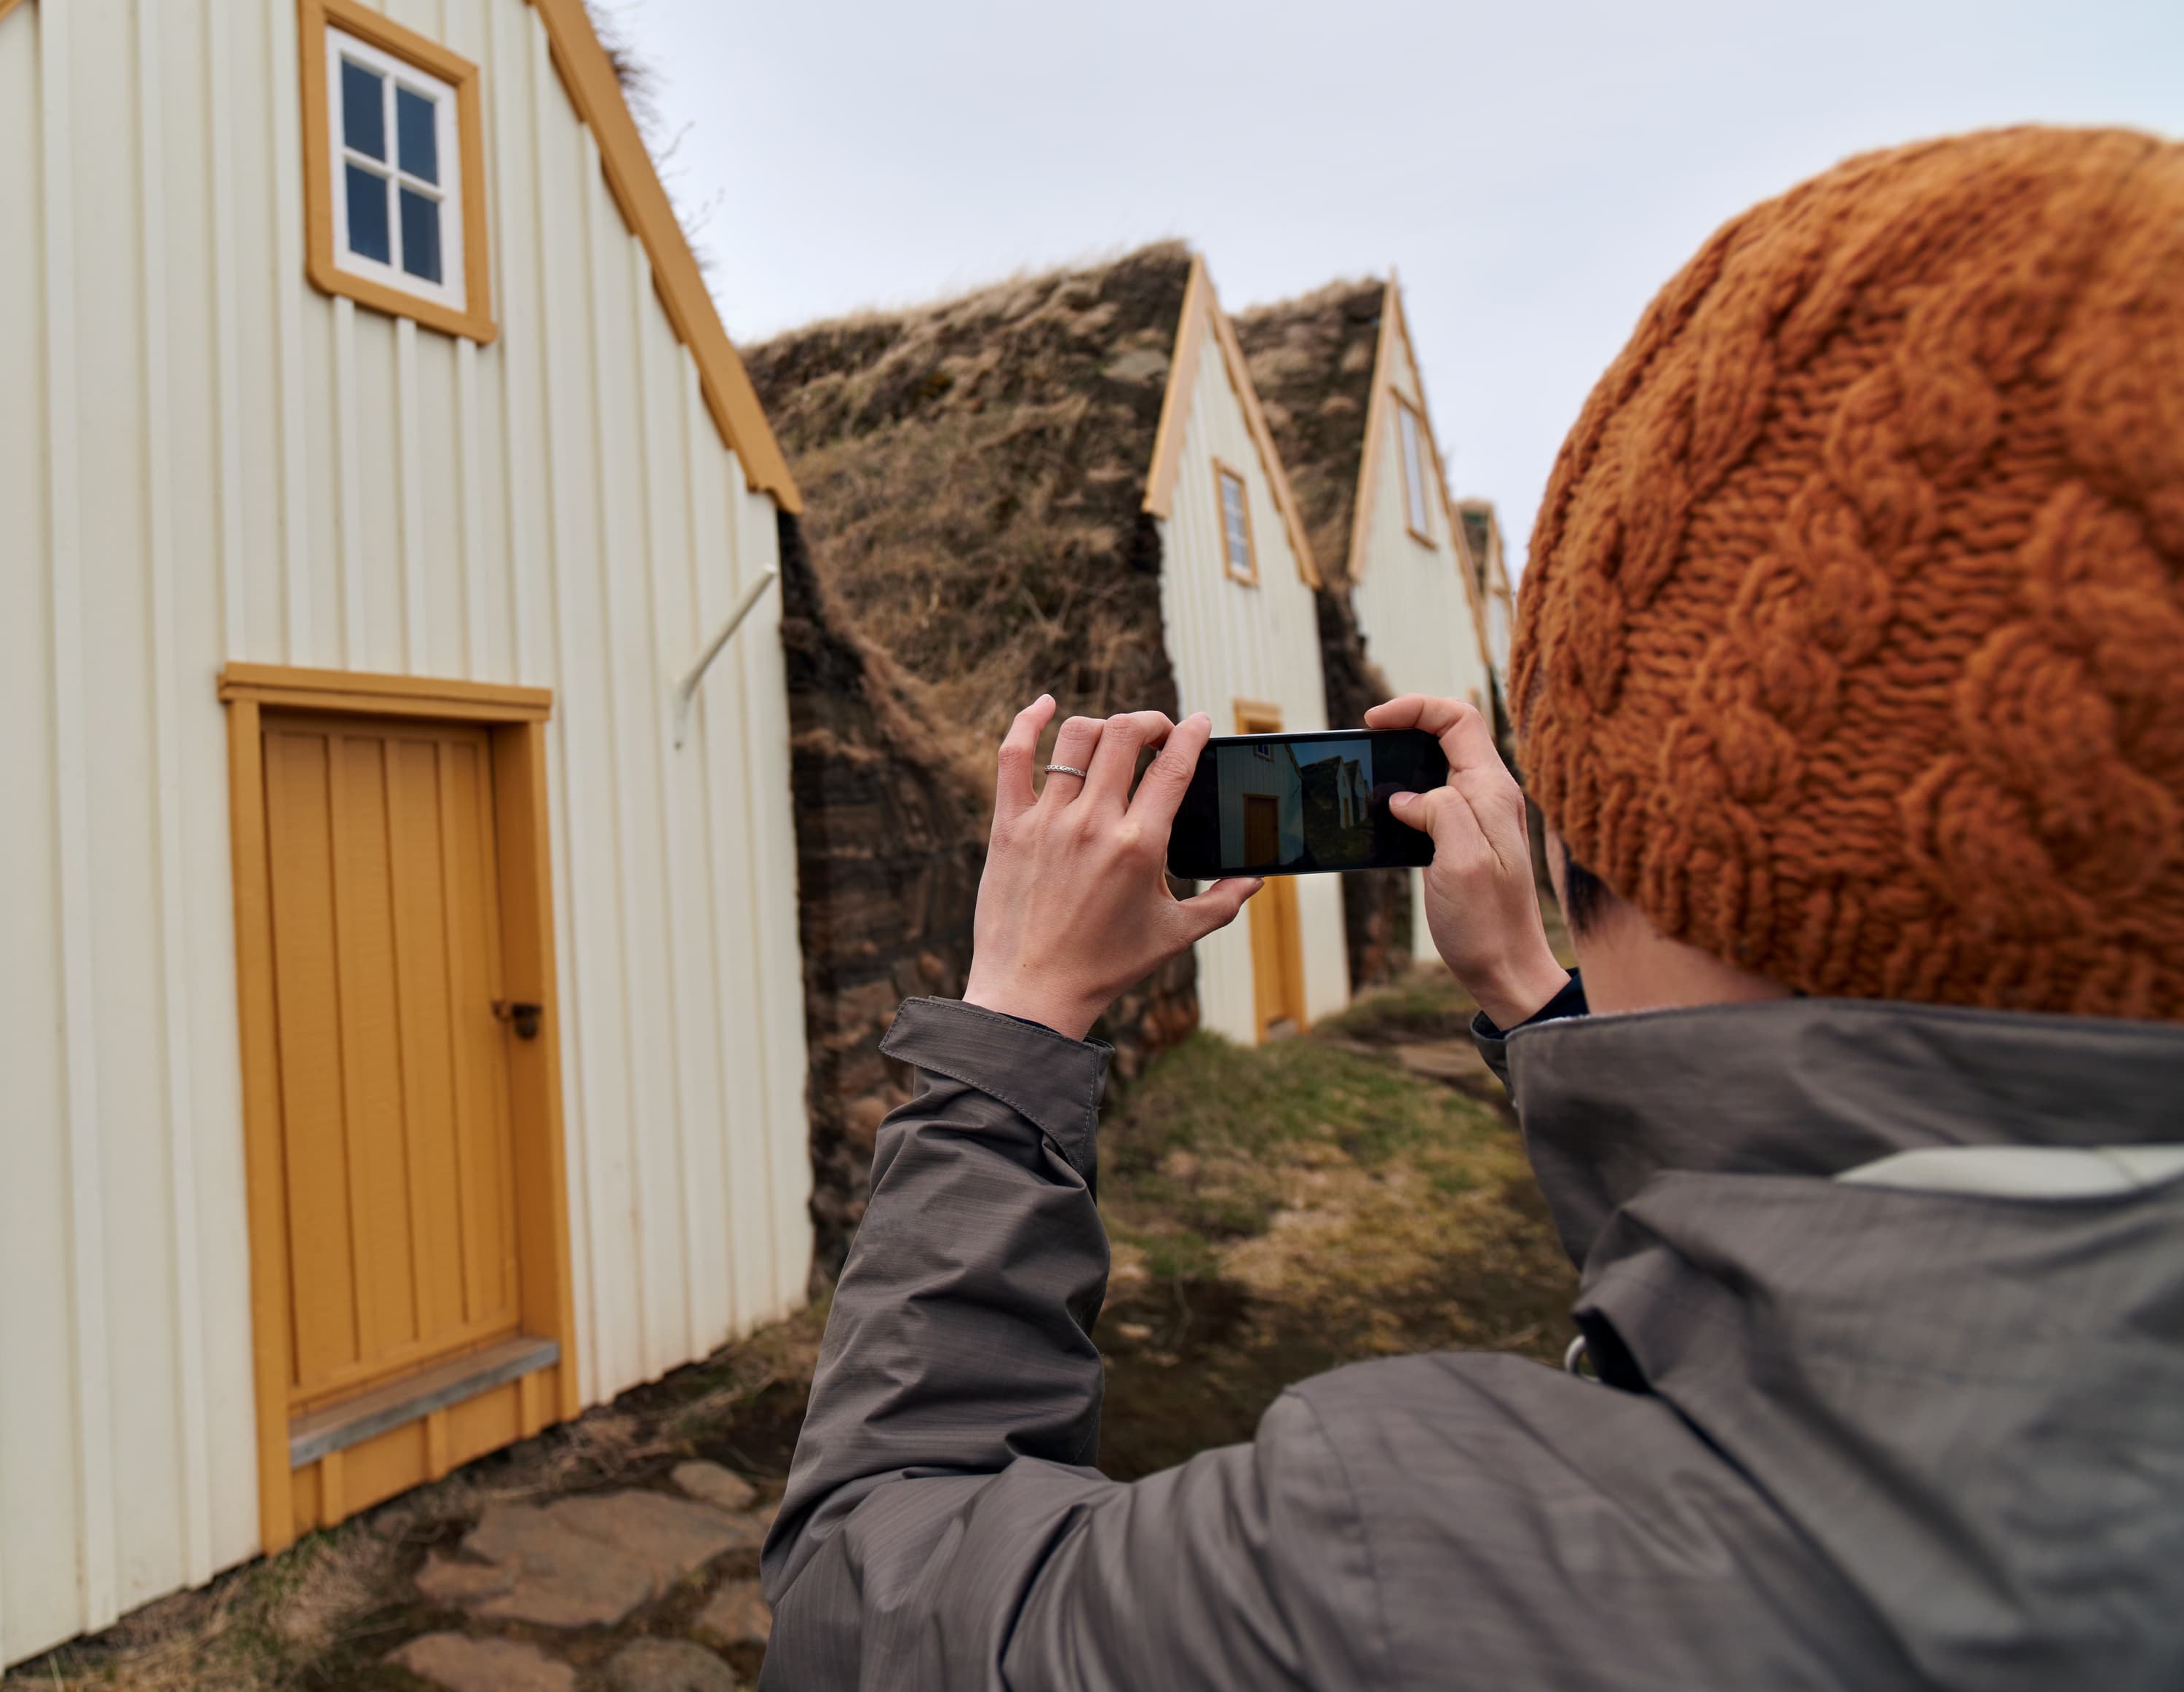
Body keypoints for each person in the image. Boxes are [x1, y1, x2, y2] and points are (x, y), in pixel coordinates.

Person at [758, 127, 2184, 1691]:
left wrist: (1017, 1021)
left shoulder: (1396, 1569)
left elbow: (868, 1584)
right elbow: (1784, 1294)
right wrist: (1533, 993)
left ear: (1682, 838)